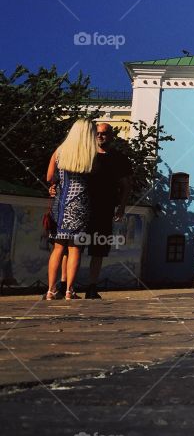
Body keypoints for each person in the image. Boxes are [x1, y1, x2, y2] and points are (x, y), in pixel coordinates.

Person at [45, 120, 97, 301]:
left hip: (61, 203)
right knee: (75, 248)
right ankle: (69, 290)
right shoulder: (91, 154)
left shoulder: (60, 151)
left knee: (58, 247)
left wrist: (55, 185)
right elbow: (96, 181)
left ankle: (51, 290)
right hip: (80, 205)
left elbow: (49, 177)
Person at [84, 122, 132, 299]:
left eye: (103, 133)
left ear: (111, 136)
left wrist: (121, 207)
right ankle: (66, 285)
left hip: (105, 208)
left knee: (98, 249)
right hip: (82, 207)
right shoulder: (85, 154)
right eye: (97, 133)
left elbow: (126, 185)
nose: (100, 136)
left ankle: (91, 286)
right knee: (73, 246)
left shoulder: (119, 159)